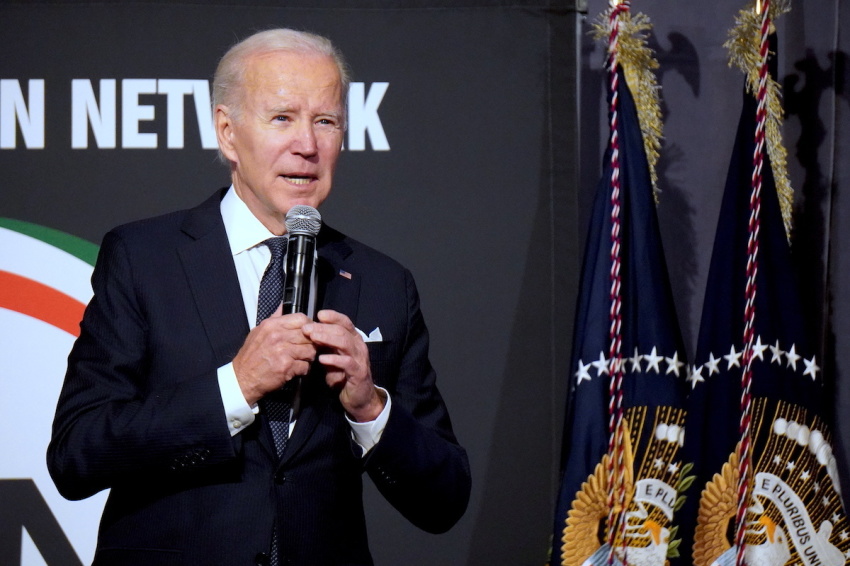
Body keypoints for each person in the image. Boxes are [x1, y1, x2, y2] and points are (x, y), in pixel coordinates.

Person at [47, 28, 471, 566]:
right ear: (227, 133)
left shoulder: (383, 282)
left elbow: (445, 500)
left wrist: (370, 409)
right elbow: (76, 455)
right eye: (282, 118)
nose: (308, 145)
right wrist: (236, 387)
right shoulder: (143, 258)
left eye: (326, 121)